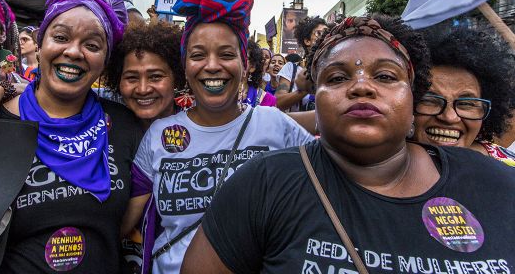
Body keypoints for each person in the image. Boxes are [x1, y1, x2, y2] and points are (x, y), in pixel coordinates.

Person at [182, 16, 515, 273]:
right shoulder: (262, 184)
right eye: (337, 78)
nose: (361, 88)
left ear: (413, 99)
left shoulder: (496, 183)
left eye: (385, 76)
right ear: (317, 100)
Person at [121, 0, 314, 274]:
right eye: (198, 55)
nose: (212, 66)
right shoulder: (160, 135)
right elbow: (122, 222)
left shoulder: (277, 126)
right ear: (185, 66)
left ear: (244, 64)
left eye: (226, 54)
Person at [0, 0, 144, 273]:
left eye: (92, 45)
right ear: (40, 44)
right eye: (60, 37)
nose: (73, 51)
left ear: (105, 60)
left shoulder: (124, 124)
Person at [413, 27, 515, 166]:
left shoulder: (508, 170)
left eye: (466, 103)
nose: (449, 117)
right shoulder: (381, 164)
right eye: (430, 100)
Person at [276, 16, 328, 111]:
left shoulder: (333, 70)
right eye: (319, 33)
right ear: (307, 41)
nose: (325, 37)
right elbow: (277, 102)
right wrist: (303, 91)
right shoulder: (291, 68)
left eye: (328, 33)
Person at [241, 40, 276, 107]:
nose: (235, 61)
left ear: (252, 67)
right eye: (228, 55)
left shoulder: (267, 100)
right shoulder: (217, 94)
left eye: (242, 57)